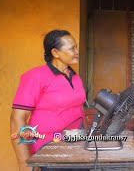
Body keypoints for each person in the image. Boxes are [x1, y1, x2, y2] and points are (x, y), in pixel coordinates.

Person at [10, 30, 86, 171]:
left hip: (76, 148)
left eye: (76, 47)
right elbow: (17, 119)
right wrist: (25, 163)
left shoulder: (75, 77)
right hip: (48, 150)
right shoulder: (35, 77)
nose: (77, 52)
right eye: (71, 48)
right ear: (55, 53)